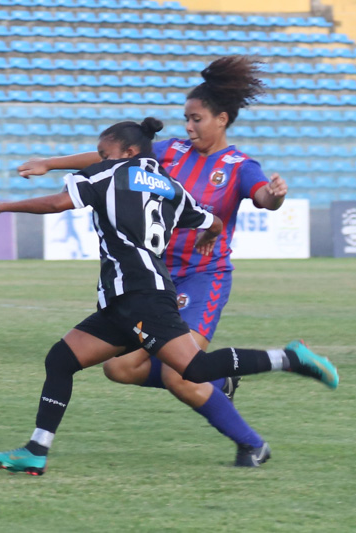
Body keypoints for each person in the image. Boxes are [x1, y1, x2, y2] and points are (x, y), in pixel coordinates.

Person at [0, 117, 338, 475]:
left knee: (192, 370)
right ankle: (36, 450)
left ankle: (291, 358)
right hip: (123, 300)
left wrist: (2, 206)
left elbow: (58, 204)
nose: (100, 159)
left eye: (105, 153)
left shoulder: (106, 175)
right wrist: (210, 233)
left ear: (129, 152)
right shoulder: (171, 187)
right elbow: (211, 220)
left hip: (143, 297)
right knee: (61, 359)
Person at [16, 56, 287, 467]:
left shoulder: (238, 167)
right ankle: (219, 378)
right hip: (155, 276)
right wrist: (49, 163)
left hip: (200, 277)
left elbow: (264, 198)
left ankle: (252, 444)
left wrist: (276, 194)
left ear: (222, 120)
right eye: (186, 119)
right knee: (120, 368)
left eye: (196, 119)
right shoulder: (169, 152)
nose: (189, 127)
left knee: (183, 373)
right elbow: (107, 160)